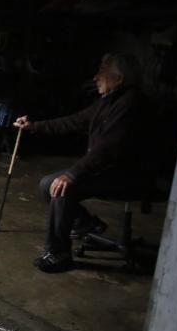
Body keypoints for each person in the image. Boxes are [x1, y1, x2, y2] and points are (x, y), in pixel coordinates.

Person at [14, 53, 146, 273]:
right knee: (47, 184)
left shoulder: (130, 105)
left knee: (63, 188)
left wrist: (73, 174)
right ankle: (86, 225)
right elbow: (74, 121)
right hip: (106, 169)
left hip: (127, 175)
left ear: (119, 78)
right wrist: (34, 126)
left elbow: (107, 149)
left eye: (102, 72)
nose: (96, 78)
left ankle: (58, 254)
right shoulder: (108, 102)